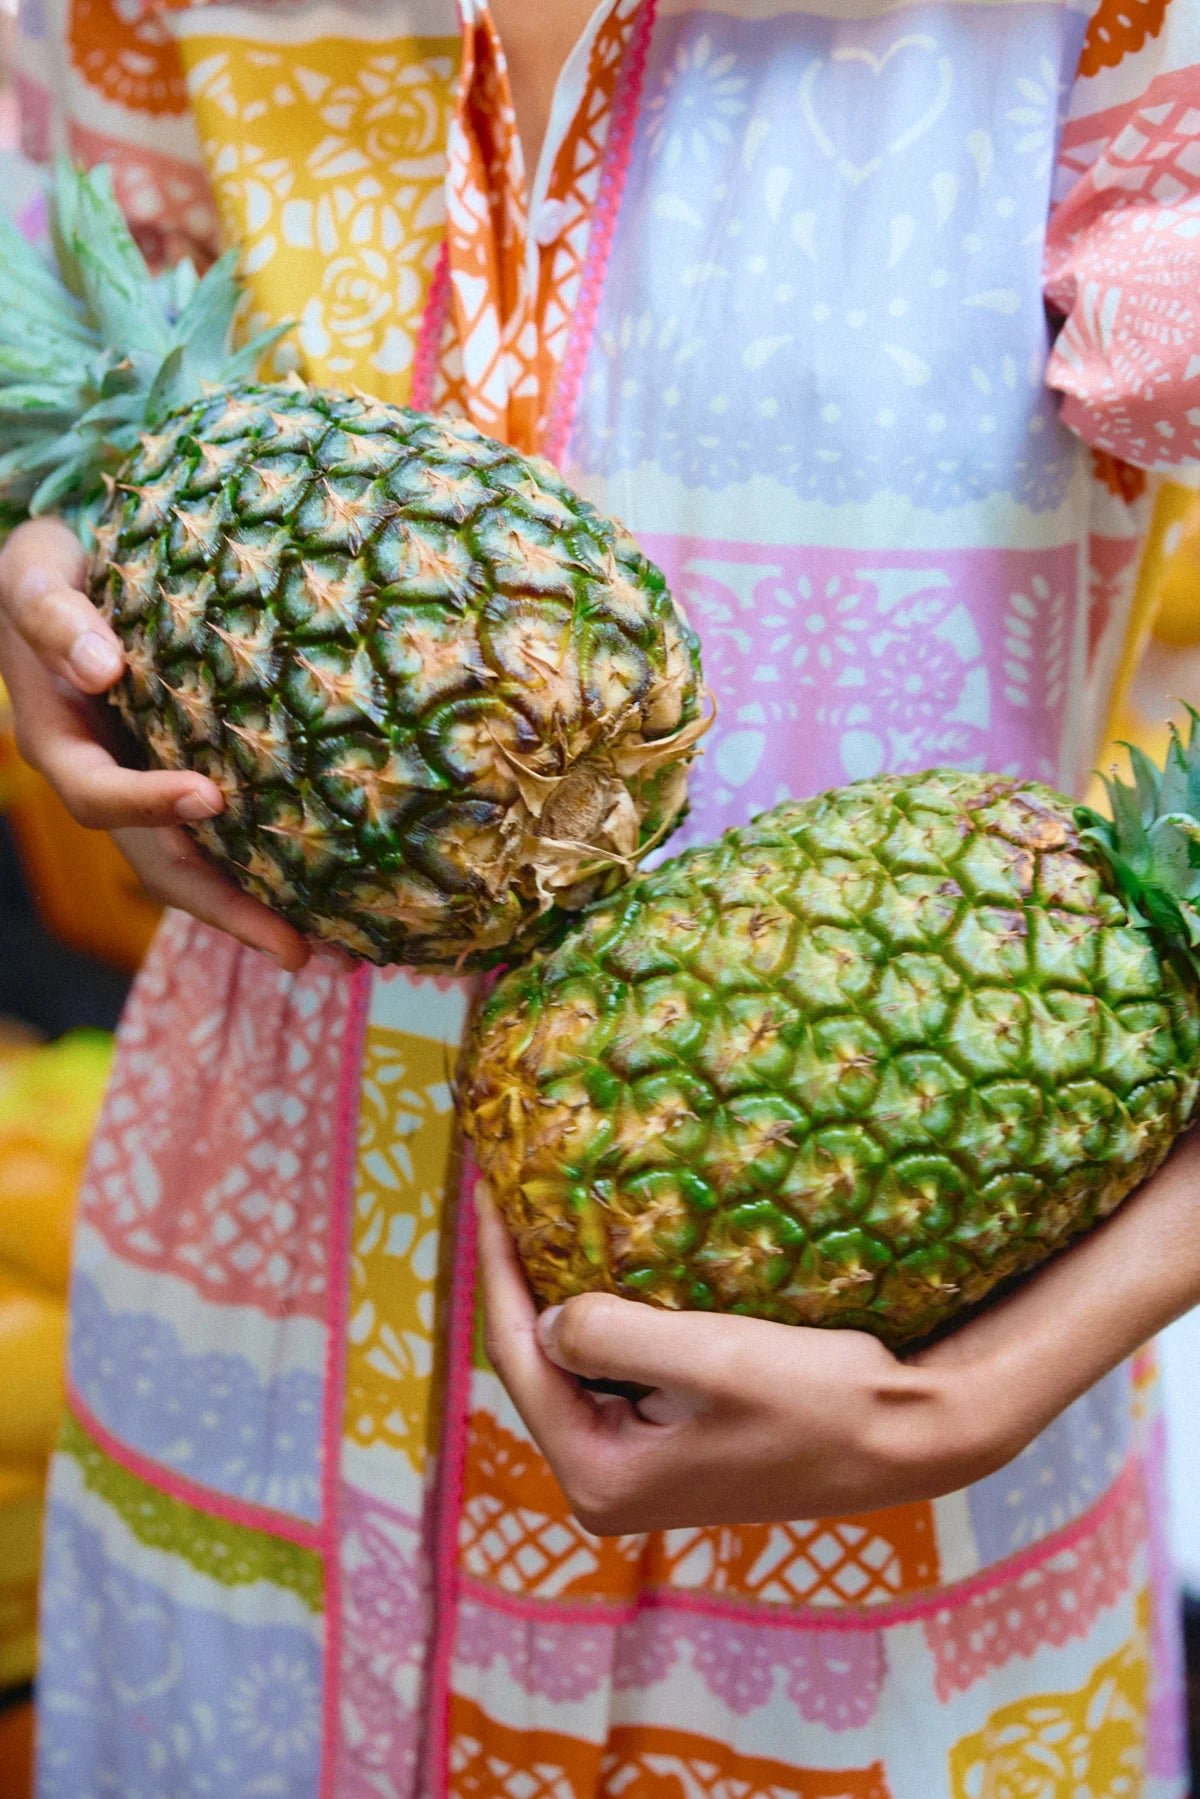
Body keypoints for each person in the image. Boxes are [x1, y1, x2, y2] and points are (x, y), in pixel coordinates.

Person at [2, 0, 1199, 1792]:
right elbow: (74, 362)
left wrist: (973, 1393)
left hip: (876, 1420)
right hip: (227, 1373)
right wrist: (56, 580)